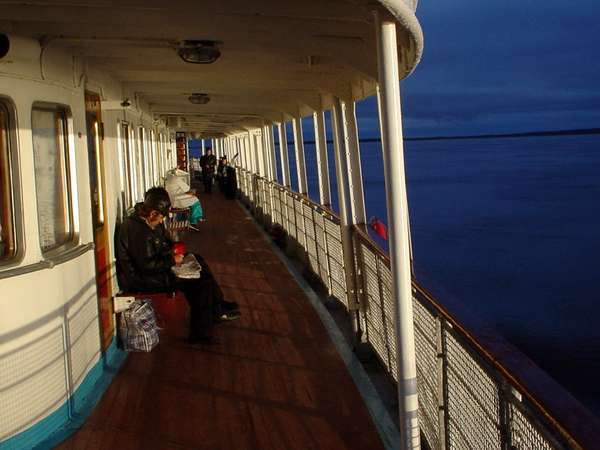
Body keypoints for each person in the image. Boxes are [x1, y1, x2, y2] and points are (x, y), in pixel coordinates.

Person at [116, 187, 240, 345]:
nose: (162, 221)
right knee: (199, 282)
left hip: (153, 271)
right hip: (143, 279)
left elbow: (161, 245)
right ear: (153, 213)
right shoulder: (138, 230)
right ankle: (201, 332)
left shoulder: (148, 221)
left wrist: (174, 248)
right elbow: (146, 266)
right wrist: (172, 261)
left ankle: (217, 306)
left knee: (197, 260)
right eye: (160, 217)